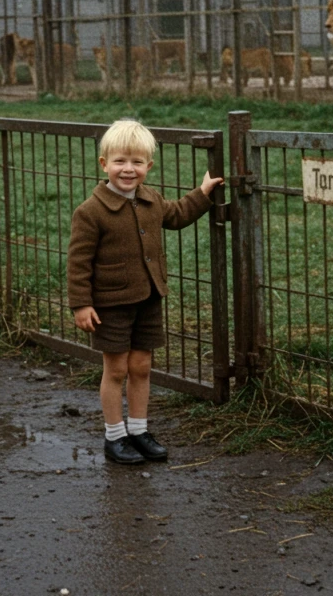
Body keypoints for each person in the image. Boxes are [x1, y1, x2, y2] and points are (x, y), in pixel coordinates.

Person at [67, 119, 223, 465]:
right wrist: (81, 304)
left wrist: (202, 194)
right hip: (110, 305)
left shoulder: (150, 199)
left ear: (148, 167)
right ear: (104, 163)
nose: (128, 169)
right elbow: (78, 263)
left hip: (148, 299)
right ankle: (114, 436)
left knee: (141, 366)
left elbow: (178, 214)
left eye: (137, 162)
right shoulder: (90, 212)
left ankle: (138, 430)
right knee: (116, 369)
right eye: (120, 161)